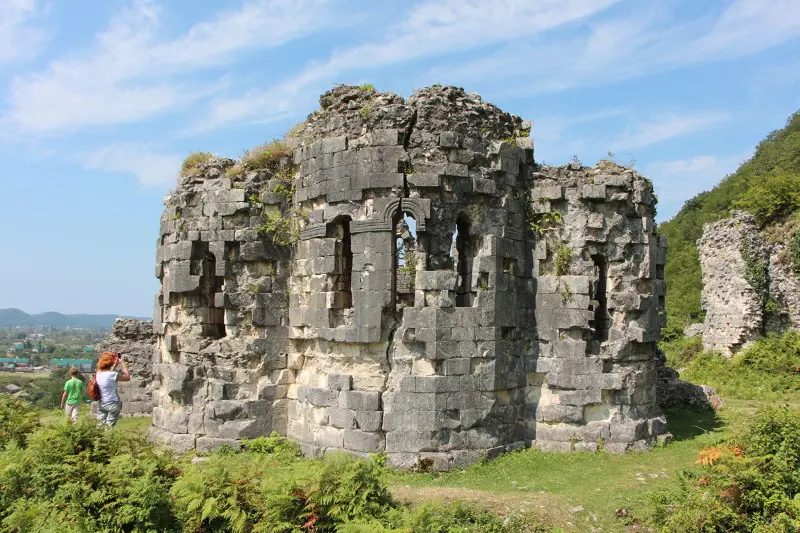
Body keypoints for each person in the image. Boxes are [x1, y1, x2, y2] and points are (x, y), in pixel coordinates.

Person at [95, 351, 131, 427]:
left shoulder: (98, 373)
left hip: (102, 403)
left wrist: (115, 365)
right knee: (109, 427)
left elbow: (108, 375)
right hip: (113, 403)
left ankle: (99, 438)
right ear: (111, 362)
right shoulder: (113, 374)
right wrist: (122, 363)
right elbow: (127, 378)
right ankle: (108, 438)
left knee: (100, 426)